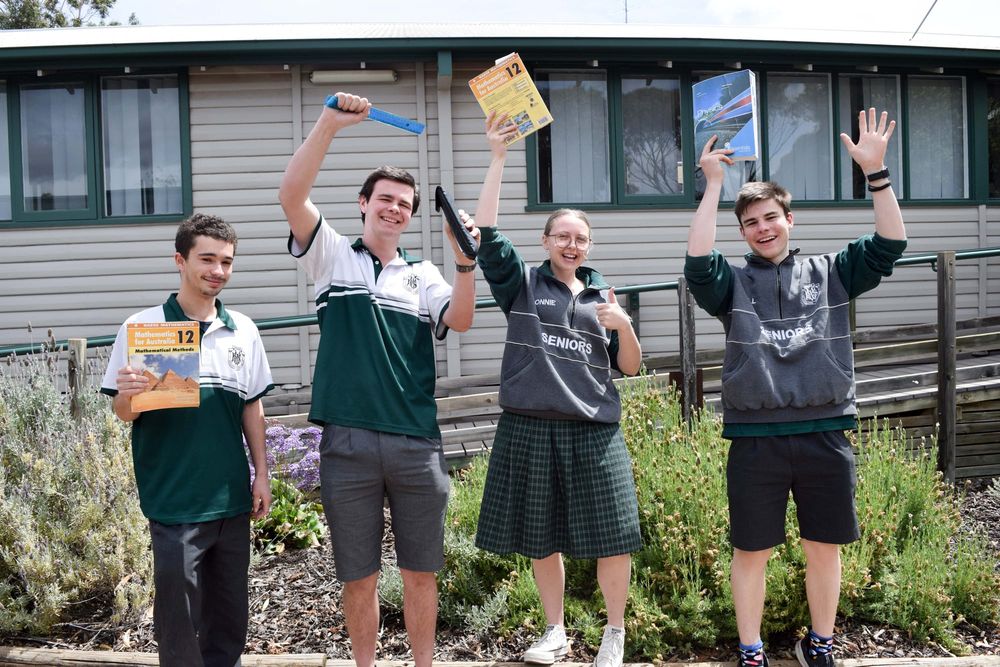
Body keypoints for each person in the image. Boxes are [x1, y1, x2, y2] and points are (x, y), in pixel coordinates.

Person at [683, 108, 907, 667]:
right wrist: (713, 185)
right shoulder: (729, 285)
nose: (763, 227)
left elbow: (890, 243)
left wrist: (876, 174)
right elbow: (695, 263)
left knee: (822, 547)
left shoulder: (834, 271)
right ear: (743, 232)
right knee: (751, 550)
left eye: (771, 217)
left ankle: (822, 645)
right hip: (755, 437)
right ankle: (751, 650)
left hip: (825, 431)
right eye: (751, 221)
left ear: (790, 219)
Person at [277, 92, 479, 667]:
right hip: (349, 443)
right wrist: (329, 125)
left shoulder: (425, 273)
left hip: (417, 444)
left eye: (405, 204)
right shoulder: (332, 257)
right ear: (363, 204)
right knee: (359, 577)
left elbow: (460, 319)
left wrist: (466, 263)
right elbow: (291, 194)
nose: (395, 209)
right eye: (385, 199)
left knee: (421, 574)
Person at [468, 112, 642, 667]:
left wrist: (625, 326)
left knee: (614, 536)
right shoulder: (521, 285)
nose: (572, 244)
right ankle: (555, 631)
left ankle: (614, 633)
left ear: (589, 246)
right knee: (542, 537)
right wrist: (497, 155)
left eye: (581, 239)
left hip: (595, 428)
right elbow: (488, 237)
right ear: (545, 241)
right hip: (530, 424)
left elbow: (632, 369)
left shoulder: (604, 296)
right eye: (563, 236)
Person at [101, 213, 274, 667]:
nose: (218, 270)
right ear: (180, 260)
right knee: (178, 626)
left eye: (226, 261)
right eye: (207, 259)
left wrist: (262, 474)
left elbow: (251, 408)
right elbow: (122, 414)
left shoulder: (244, 331)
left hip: (231, 501)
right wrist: (129, 395)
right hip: (174, 502)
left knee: (229, 620)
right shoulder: (143, 329)